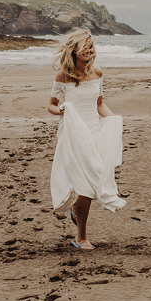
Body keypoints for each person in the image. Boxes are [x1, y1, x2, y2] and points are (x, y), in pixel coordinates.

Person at [48, 28, 126, 250]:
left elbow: (99, 104)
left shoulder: (97, 73)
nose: (89, 52)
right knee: (87, 183)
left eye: (91, 48)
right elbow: (51, 104)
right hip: (73, 133)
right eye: (85, 48)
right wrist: (61, 109)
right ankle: (81, 238)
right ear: (74, 50)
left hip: (94, 129)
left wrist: (114, 122)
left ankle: (76, 211)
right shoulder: (63, 76)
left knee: (95, 177)